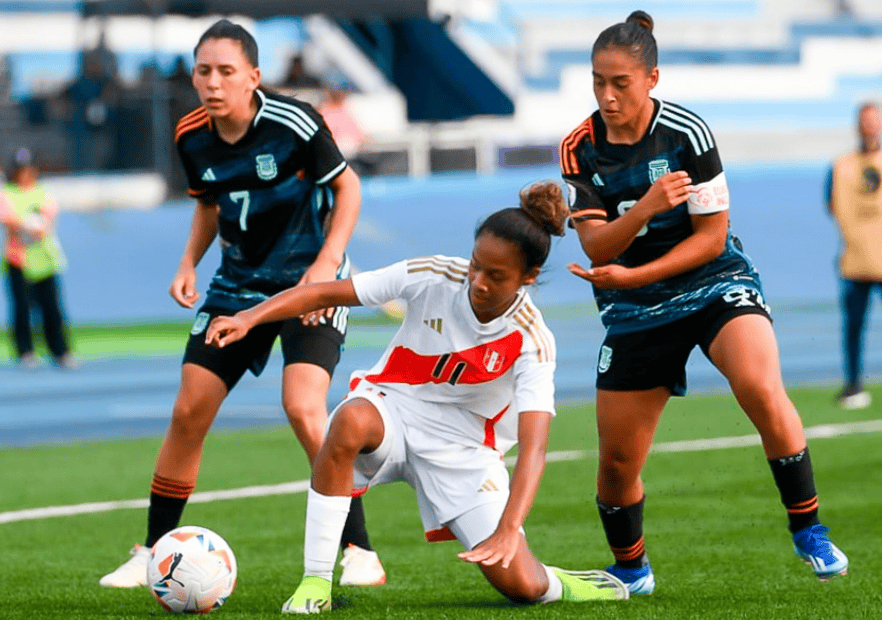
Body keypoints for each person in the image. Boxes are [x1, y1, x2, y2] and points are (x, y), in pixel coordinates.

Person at [205, 182, 630, 613]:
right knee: (347, 420)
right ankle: (316, 583)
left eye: (496, 276)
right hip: (393, 410)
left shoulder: (532, 340)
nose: (479, 283)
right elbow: (325, 292)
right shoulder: (432, 275)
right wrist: (249, 317)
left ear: (528, 277)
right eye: (476, 267)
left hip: (463, 453)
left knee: (521, 586)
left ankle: (564, 582)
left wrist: (509, 527)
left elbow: (535, 447)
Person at [560, 11, 848, 594]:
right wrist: (642, 209)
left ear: (652, 78)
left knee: (760, 386)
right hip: (633, 308)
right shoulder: (578, 148)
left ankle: (808, 528)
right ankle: (632, 569)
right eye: (598, 82)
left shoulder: (688, 133)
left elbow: (711, 237)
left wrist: (636, 271)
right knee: (616, 465)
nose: (608, 96)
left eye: (621, 83)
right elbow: (595, 244)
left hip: (713, 280)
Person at [99, 19, 384, 589]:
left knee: (304, 407)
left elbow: (347, 187)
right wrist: (188, 264)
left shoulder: (294, 122)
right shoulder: (190, 135)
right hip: (237, 287)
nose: (212, 81)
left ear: (253, 77)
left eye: (226, 71)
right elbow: (208, 204)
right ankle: (153, 548)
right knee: (188, 411)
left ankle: (360, 550)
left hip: (310, 282)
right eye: (203, 70)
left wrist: (326, 265)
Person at [825, 102, 882, 409]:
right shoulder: (841, 164)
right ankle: (854, 384)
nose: (870, 127)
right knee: (853, 327)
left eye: (875, 120)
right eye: (865, 121)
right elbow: (830, 204)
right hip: (855, 261)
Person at [0, 147, 76, 370]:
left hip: (45, 260)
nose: (25, 174)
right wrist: (24, 224)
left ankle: (60, 351)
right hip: (18, 260)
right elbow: (10, 223)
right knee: (21, 308)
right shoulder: (7, 194)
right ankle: (25, 352)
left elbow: (44, 225)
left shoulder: (44, 192)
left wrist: (27, 224)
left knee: (52, 308)